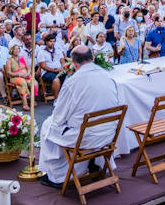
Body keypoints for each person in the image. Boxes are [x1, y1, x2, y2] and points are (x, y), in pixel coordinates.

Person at [37, 46, 122, 187]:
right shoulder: (108, 76)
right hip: (108, 135)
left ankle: (57, 176)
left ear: (74, 64)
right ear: (93, 58)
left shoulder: (72, 82)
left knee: (48, 125)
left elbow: (58, 117)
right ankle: (95, 162)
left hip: (86, 138)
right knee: (71, 124)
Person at [4, 43, 31, 110]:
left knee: (33, 82)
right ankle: (25, 104)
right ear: (12, 50)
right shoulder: (9, 60)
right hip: (14, 77)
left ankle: (32, 100)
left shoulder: (22, 58)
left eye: (18, 48)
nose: (17, 50)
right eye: (15, 49)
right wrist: (18, 75)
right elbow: (8, 72)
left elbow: (28, 68)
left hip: (24, 75)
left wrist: (28, 73)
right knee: (23, 82)